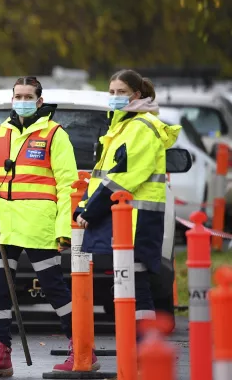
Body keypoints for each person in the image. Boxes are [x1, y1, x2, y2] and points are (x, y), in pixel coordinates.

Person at [0, 77, 98, 377]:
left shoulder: (54, 134)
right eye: (17, 96)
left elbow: (68, 184)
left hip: (39, 226)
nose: (22, 100)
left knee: (54, 289)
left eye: (28, 96)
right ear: (12, 98)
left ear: (39, 101)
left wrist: (64, 229)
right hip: (3, 225)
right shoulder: (1, 132)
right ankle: (0, 353)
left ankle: (82, 349)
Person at [74, 69, 180, 335]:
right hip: (125, 217)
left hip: (137, 219)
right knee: (132, 282)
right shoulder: (122, 126)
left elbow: (124, 177)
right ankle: (140, 348)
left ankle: (145, 348)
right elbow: (103, 174)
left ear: (137, 94)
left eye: (121, 92)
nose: (115, 97)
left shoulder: (141, 127)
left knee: (137, 283)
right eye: (111, 92)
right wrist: (86, 204)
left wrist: (92, 209)